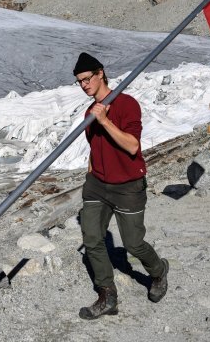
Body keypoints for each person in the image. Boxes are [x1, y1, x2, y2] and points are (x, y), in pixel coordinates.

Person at [73, 52, 169, 320]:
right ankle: (107, 296)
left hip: (127, 186)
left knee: (133, 244)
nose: (84, 85)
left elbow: (132, 146)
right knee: (92, 239)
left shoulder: (127, 104)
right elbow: (94, 147)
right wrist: (91, 175)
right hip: (97, 185)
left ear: (100, 73)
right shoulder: (89, 111)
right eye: (79, 82)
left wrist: (104, 120)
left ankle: (159, 271)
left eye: (87, 78)